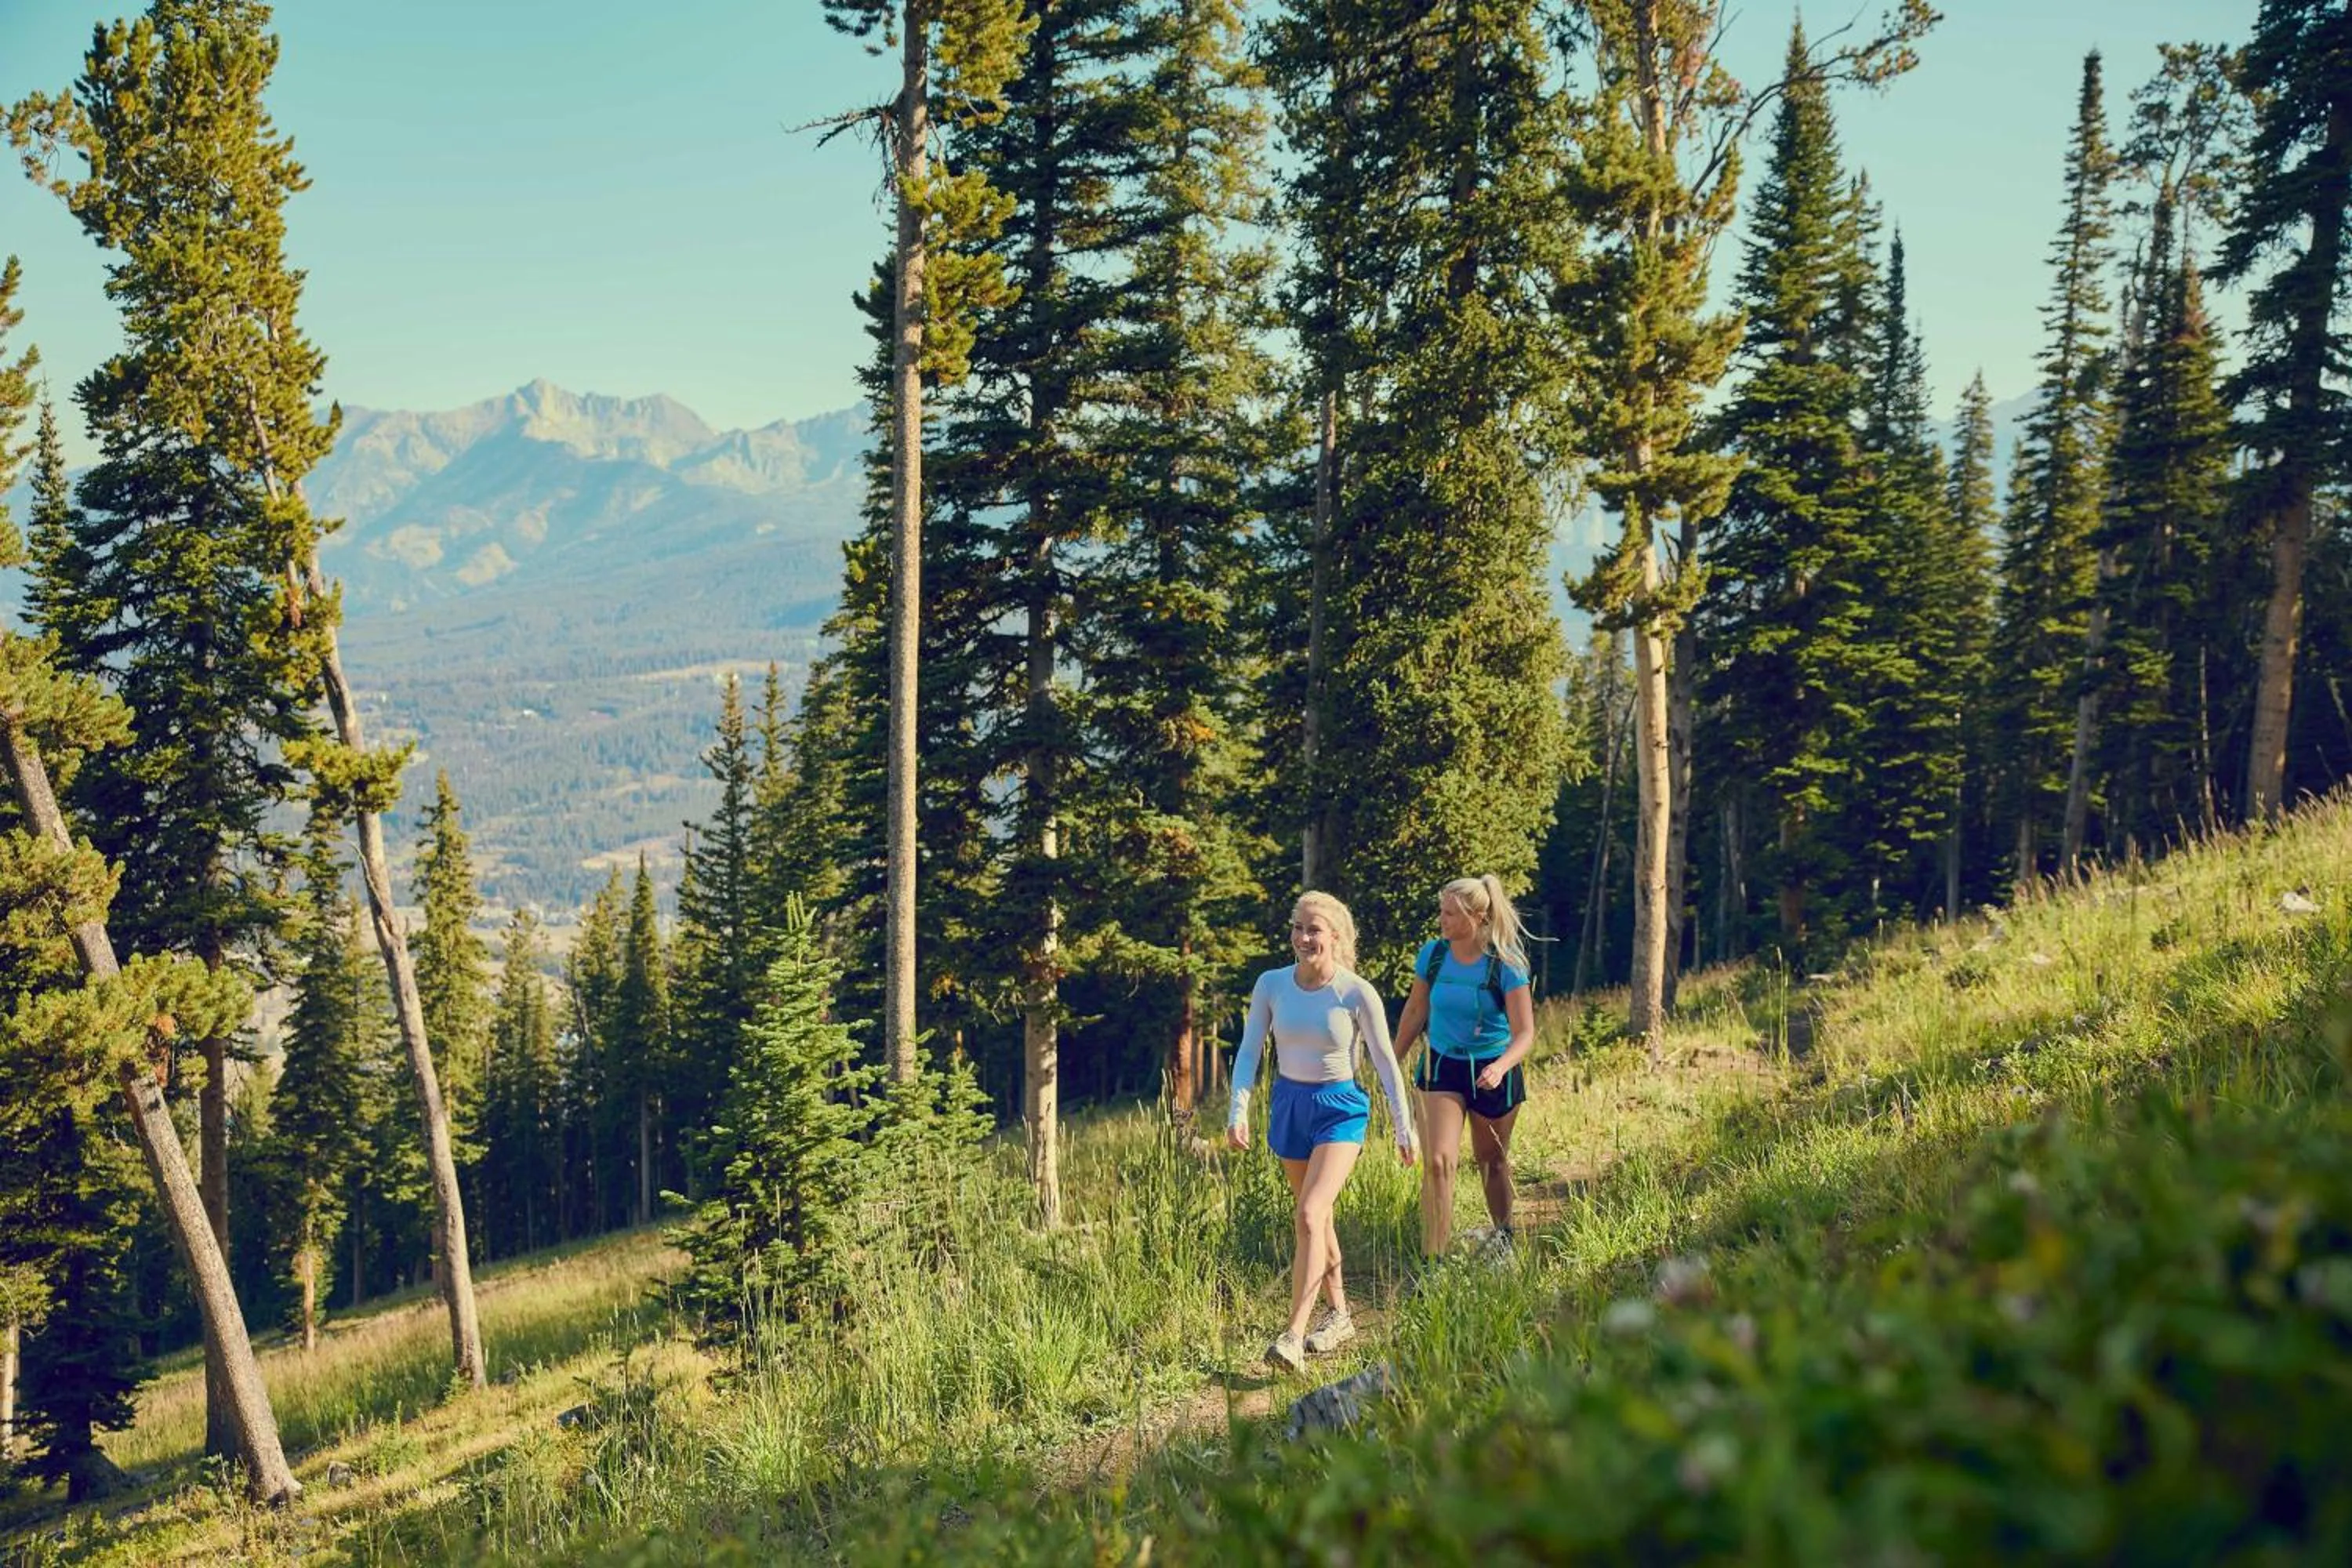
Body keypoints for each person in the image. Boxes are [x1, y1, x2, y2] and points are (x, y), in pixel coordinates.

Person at [1226, 891, 1416, 1373]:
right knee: (1318, 1218)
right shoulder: (1271, 985)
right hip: (1290, 1104)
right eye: (1298, 928)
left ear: (1335, 936)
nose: (1304, 938)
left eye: (1315, 929)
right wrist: (1238, 1109)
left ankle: (1292, 1334)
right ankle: (1340, 1314)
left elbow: (1384, 1062)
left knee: (1311, 1213)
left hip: (1340, 1109)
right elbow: (1249, 1051)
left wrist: (1403, 1125)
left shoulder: (1355, 992)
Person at [1393, 874, 1537, 1259]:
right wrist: (1393, 1058)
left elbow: (1525, 1033)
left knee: (1491, 1161)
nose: (1442, 920)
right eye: (1441, 911)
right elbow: (1415, 1010)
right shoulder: (1433, 955)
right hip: (1442, 1065)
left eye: (1450, 913)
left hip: (1493, 1070)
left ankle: (1503, 1237)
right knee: (1439, 1162)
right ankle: (1432, 1261)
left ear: (1476, 916)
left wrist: (1502, 1066)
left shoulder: (1505, 963)